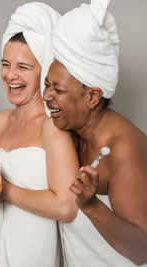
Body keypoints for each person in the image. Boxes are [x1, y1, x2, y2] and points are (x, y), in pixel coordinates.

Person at [0, 2, 79, 267]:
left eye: (23, 67)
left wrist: (4, 190)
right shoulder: (0, 120)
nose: (10, 75)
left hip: (31, 254)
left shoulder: (52, 127)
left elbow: (66, 206)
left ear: (44, 71)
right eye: (5, 64)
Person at [43, 0, 147, 266]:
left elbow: (142, 250)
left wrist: (91, 206)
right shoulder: (69, 129)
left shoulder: (122, 148)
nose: (46, 96)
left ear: (92, 96)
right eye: (46, 85)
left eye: (58, 90)